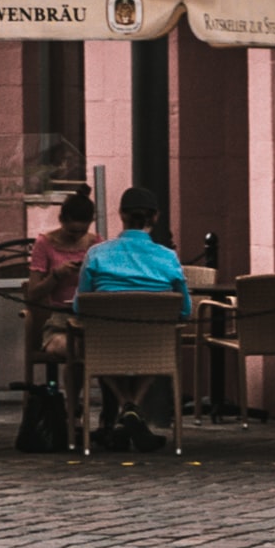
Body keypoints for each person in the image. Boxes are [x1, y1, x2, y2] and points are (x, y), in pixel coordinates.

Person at [73, 186, 197, 453]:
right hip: (153, 345)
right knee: (154, 350)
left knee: (95, 348)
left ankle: (126, 409)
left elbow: (79, 305)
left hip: (106, 344)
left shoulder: (97, 254)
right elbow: (185, 309)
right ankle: (132, 409)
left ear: (121, 215)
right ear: (155, 217)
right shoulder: (168, 258)